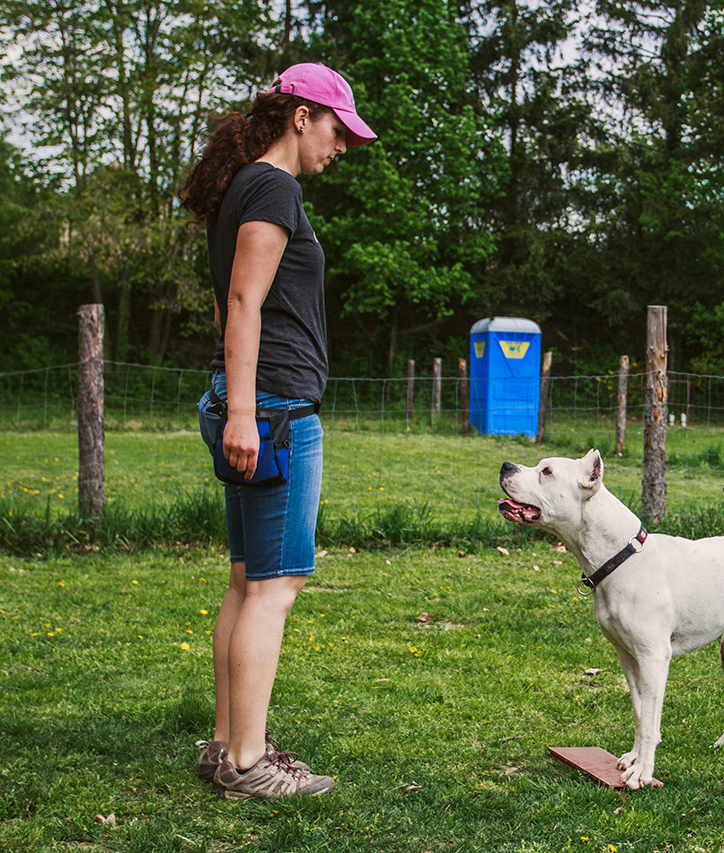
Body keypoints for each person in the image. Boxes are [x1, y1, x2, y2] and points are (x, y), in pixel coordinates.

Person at [179, 63, 376, 798]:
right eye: (338, 129)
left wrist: (239, 404)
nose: (343, 145)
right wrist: (242, 413)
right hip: (274, 411)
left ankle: (229, 744)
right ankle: (249, 762)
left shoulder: (253, 186)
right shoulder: (273, 187)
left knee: (245, 581)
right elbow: (243, 299)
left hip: (259, 404)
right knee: (274, 587)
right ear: (302, 116)